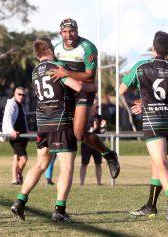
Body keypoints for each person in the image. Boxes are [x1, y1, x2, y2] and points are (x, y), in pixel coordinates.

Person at [11, 37, 97, 222]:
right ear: (50, 49)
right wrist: (92, 86)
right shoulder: (55, 67)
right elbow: (78, 86)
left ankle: (20, 201)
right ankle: (59, 210)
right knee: (66, 167)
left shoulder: (35, 71)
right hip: (60, 121)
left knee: (41, 164)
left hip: (42, 123)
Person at [119, 31, 168, 225]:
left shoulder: (141, 66)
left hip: (153, 121)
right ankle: (161, 206)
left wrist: (141, 100)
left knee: (160, 163)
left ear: (153, 48)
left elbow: (121, 90)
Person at [50, 18, 120, 179]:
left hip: (84, 91)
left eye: (71, 31)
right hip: (66, 93)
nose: (68, 35)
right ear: (60, 33)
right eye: (65, 32)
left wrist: (67, 73)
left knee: (80, 134)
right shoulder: (57, 49)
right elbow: (54, 72)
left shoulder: (88, 47)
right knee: (63, 129)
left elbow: (89, 77)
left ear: (77, 30)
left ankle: (109, 155)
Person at [2, 86, 29, 185]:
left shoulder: (21, 105)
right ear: (14, 93)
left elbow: (23, 120)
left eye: (23, 95)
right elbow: (7, 118)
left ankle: (14, 179)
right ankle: (19, 174)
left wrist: (28, 132)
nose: (21, 96)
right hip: (15, 136)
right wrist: (11, 131)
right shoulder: (11, 104)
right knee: (24, 158)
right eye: (19, 94)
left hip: (23, 136)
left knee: (16, 158)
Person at [80, 99, 107, 185]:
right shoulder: (85, 117)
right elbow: (82, 131)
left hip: (97, 144)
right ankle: (82, 183)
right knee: (84, 163)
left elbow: (102, 132)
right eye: (95, 107)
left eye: (98, 107)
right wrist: (93, 128)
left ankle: (99, 183)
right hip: (86, 143)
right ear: (91, 107)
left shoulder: (100, 117)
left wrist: (103, 127)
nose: (97, 109)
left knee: (98, 163)